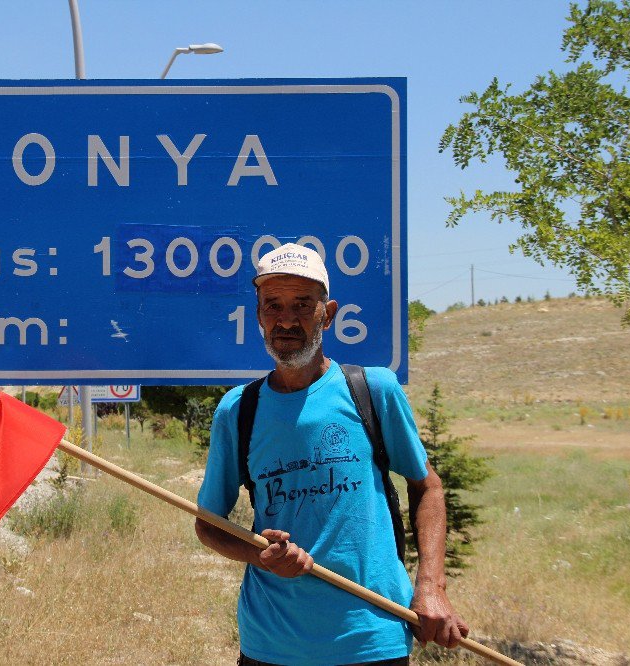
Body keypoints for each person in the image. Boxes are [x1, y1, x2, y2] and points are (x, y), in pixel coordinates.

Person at [195, 243, 469, 666]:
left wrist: (431, 585)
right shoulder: (238, 410)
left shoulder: (373, 390)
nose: (286, 319)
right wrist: (258, 554)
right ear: (258, 317)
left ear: (329, 313)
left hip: (372, 638)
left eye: (303, 305)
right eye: (273, 306)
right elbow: (208, 524)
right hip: (271, 646)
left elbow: (426, 485)